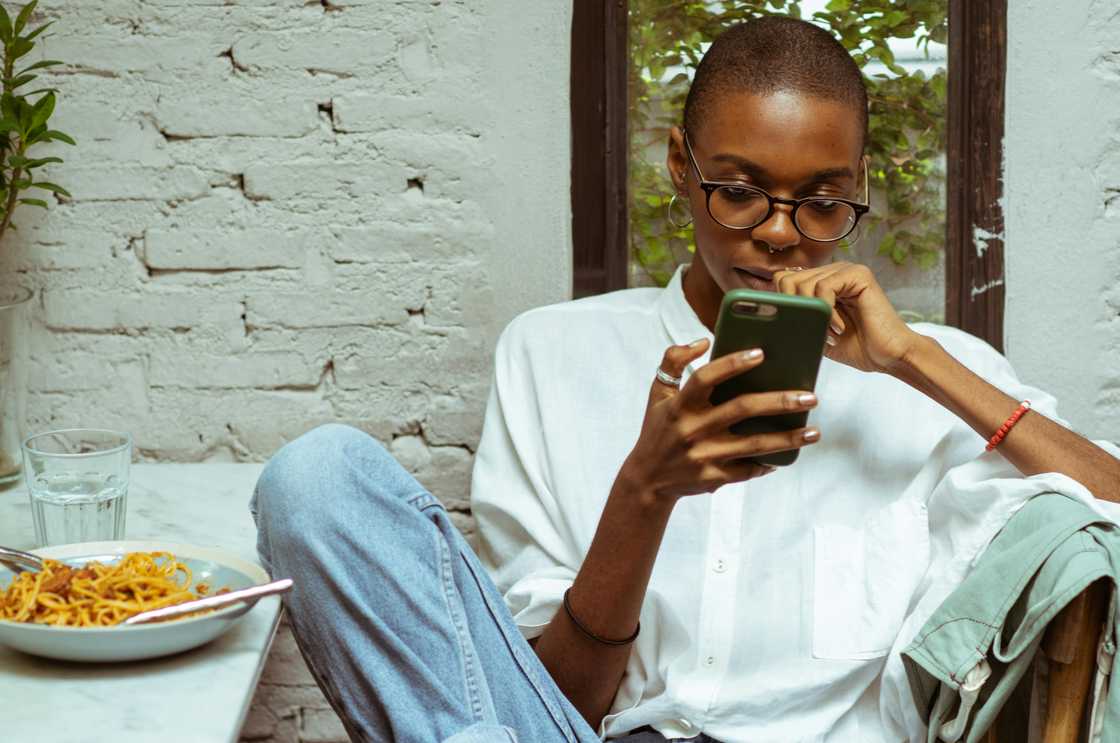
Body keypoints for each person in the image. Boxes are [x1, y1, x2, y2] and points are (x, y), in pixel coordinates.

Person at [249, 15, 1120, 743]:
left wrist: (915, 361)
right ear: (679, 165)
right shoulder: (551, 355)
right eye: (739, 191)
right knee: (316, 479)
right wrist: (646, 490)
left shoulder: (930, 375)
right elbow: (554, 704)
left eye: (821, 201)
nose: (780, 235)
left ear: (860, 188)